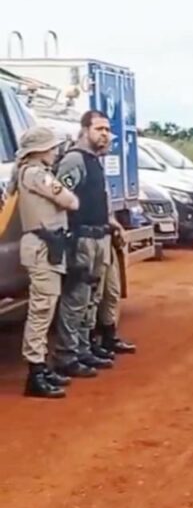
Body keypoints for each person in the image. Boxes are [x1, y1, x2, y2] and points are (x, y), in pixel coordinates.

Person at [53, 110, 127, 377]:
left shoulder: (94, 160)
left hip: (98, 236)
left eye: (107, 130)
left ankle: (83, 348)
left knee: (91, 298)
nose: (105, 134)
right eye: (99, 129)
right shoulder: (74, 160)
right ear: (85, 130)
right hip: (81, 237)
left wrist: (111, 222)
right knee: (76, 297)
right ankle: (66, 355)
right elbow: (60, 197)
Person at [13, 125, 79, 398]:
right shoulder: (35, 174)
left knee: (46, 306)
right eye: (51, 148)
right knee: (41, 310)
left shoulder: (33, 172)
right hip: (42, 246)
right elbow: (70, 201)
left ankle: (41, 366)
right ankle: (35, 372)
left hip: (46, 245)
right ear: (39, 150)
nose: (55, 152)